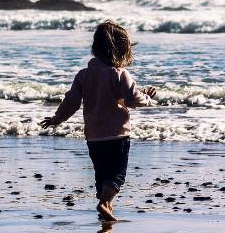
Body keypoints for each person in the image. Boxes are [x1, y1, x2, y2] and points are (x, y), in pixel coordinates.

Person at [41, 20, 156, 221]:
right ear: (121, 51)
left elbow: (72, 102)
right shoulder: (120, 74)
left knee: (101, 175)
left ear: (94, 48)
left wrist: (57, 119)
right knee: (117, 174)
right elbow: (132, 99)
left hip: (94, 137)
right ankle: (104, 203)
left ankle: (106, 208)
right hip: (117, 135)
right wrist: (146, 98)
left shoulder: (83, 75)